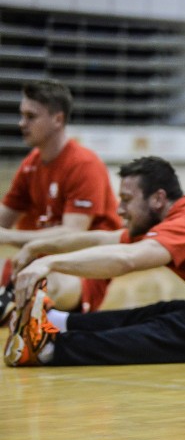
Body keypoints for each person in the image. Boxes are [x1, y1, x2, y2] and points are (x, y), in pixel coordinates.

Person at [4, 156, 185, 366]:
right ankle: (62, 322)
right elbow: (103, 239)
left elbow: (128, 259)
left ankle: (51, 349)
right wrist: (37, 246)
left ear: (157, 199)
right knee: (163, 310)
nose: (120, 209)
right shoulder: (180, 217)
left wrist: (49, 264)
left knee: (181, 325)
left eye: (127, 200)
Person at [0, 79, 122, 322]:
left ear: (57, 119)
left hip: (80, 269)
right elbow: (3, 217)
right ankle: (12, 298)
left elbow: (72, 234)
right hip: (32, 262)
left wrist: (10, 236)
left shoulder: (84, 164)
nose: (21, 123)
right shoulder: (31, 164)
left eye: (30, 116)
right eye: (21, 115)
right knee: (29, 275)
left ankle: (13, 299)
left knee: (47, 282)